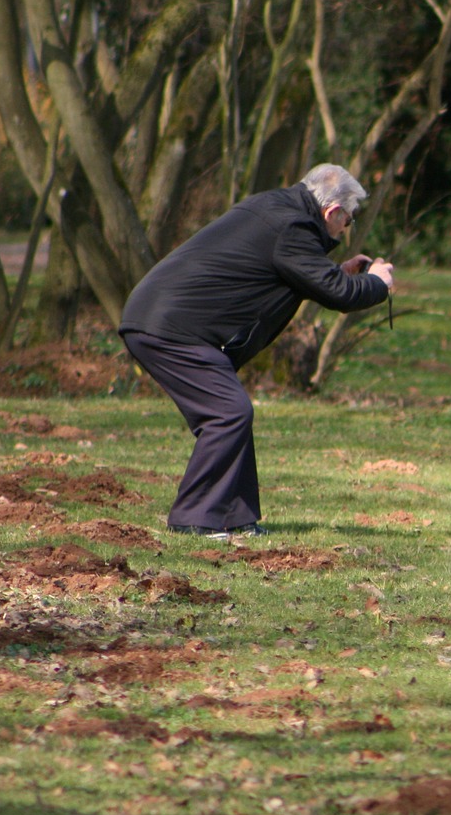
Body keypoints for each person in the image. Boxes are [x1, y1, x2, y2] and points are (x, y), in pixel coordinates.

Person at [119, 164, 395, 540]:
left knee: (231, 410)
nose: (346, 230)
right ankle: (194, 519)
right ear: (331, 212)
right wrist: (377, 284)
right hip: (170, 328)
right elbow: (339, 296)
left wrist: (338, 272)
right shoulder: (293, 228)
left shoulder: (278, 210)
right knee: (228, 412)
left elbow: (298, 275)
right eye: (348, 220)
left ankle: (234, 516)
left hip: (163, 319)